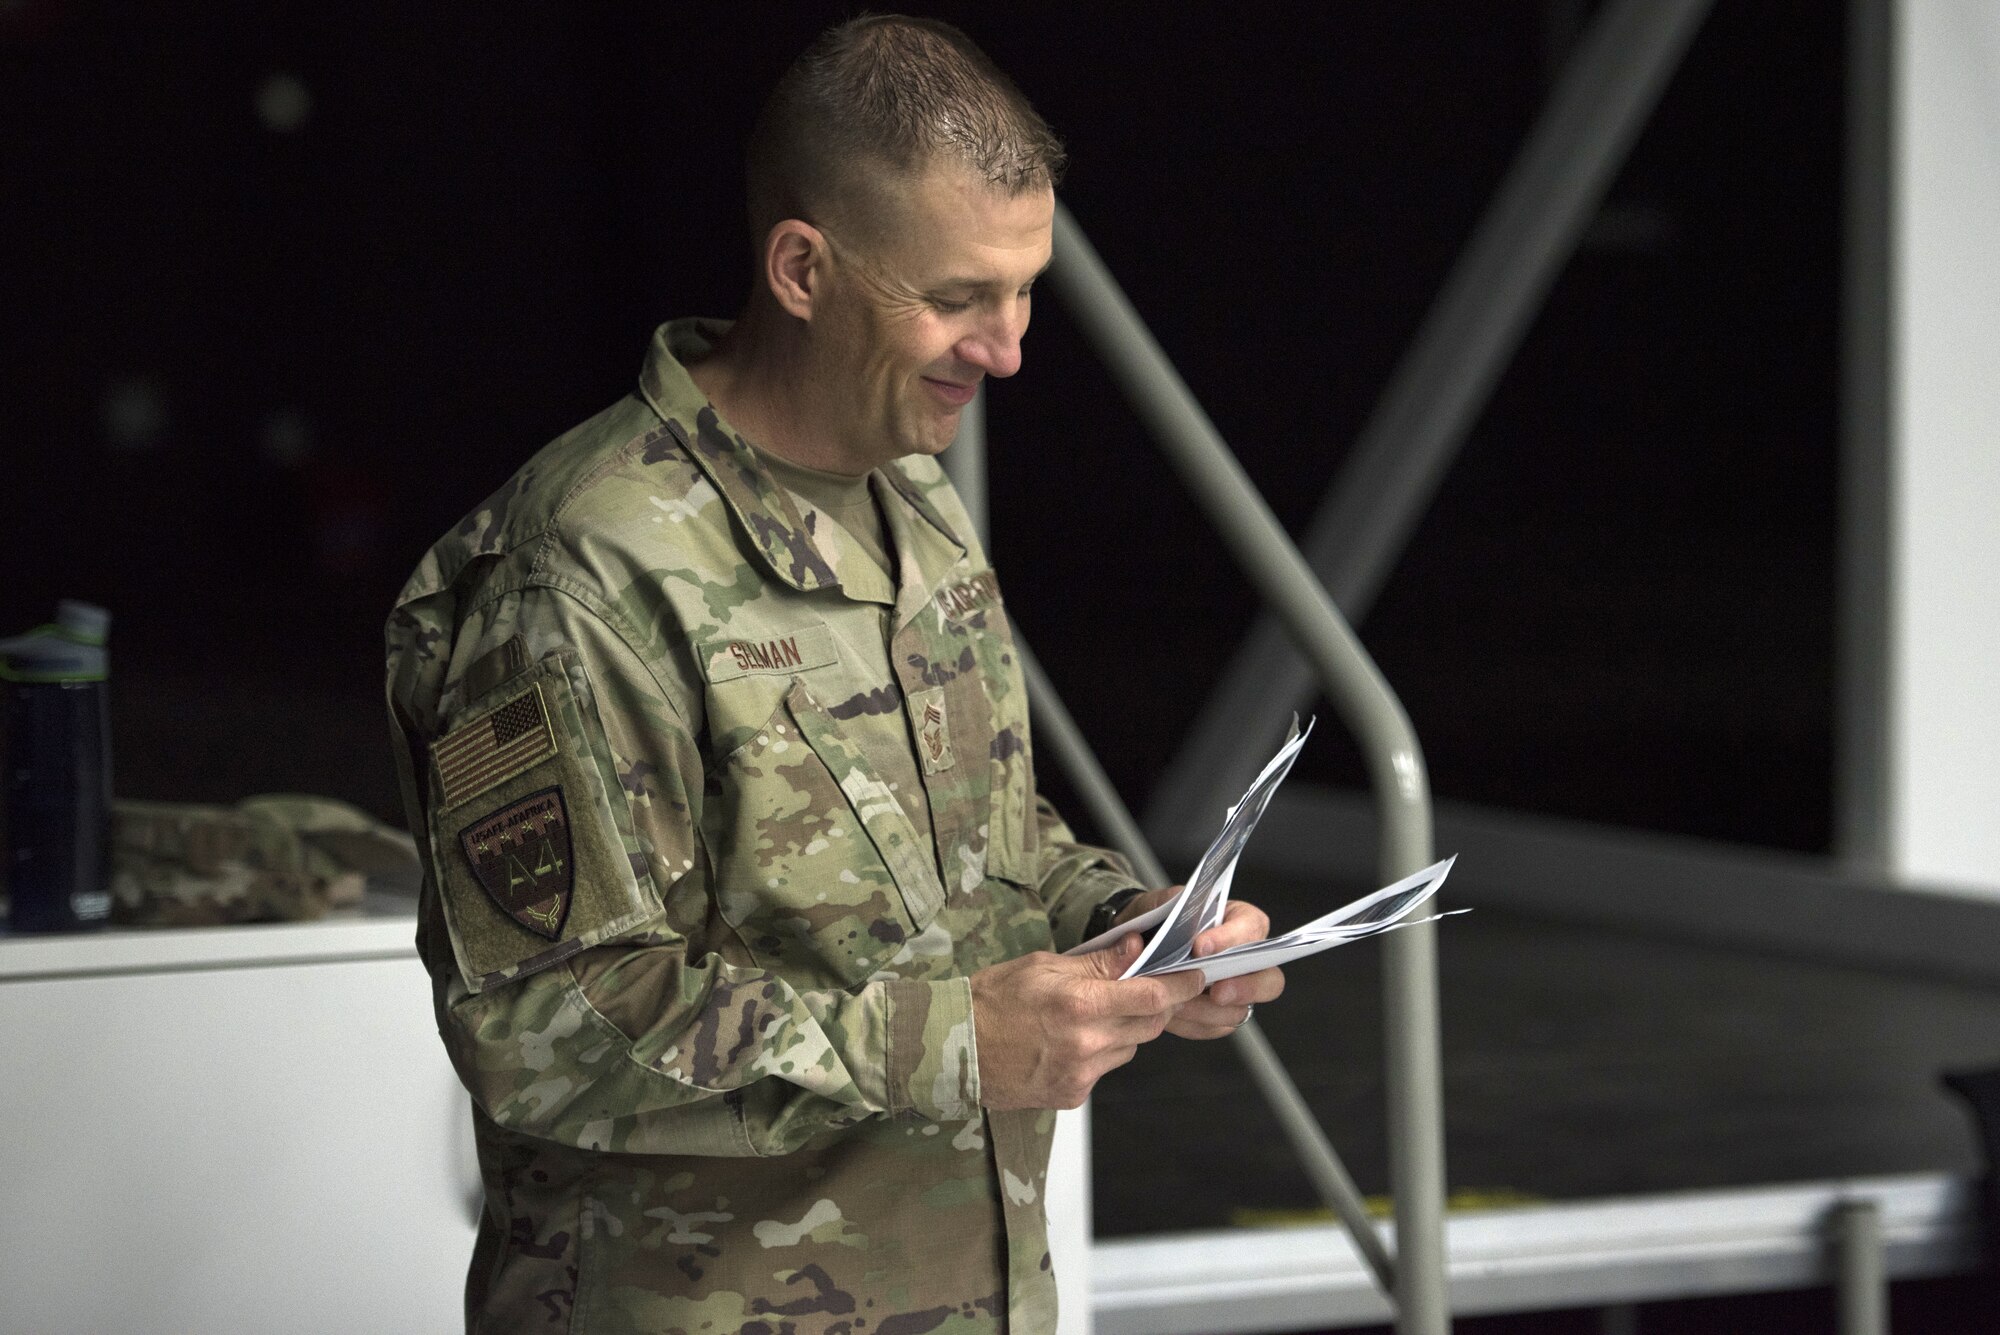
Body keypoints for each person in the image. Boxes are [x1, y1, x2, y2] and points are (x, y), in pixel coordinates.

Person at [384, 15, 1285, 1334]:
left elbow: (991, 847)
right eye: (959, 297)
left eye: (1026, 289)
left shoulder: (912, 505)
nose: (1011, 347)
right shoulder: (577, 573)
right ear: (802, 268)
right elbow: (542, 1031)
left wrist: (1133, 927)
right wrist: (956, 1044)